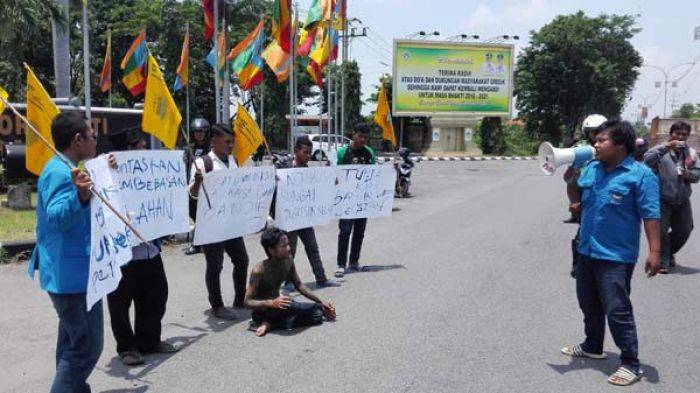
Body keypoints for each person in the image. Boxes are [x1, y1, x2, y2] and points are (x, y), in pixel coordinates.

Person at [561, 120, 661, 387]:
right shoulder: (592, 168)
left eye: (602, 140)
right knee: (588, 303)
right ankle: (593, 345)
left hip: (615, 256)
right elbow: (575, 189)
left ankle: (631, 363)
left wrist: (655, 251)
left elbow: (651, 215)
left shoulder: (640, 175)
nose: (596, 144)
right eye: (596, 140)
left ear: (620, 145)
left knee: (617, 310)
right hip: (586, 250)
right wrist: (572, 188)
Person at [28, 111, 115, 393]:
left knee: (71, 343)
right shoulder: (59, 172)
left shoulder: (70, 167)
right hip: (71, 277)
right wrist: (79, 197)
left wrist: (104, 166)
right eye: (92, 136)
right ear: (78, 139)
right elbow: (55, 218)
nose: (95, 140)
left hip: (74, 272)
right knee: (87, 346)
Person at [106, 129, 178, 367]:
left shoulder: (151, 170)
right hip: (125, 254)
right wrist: (110, 168)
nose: (144, 150)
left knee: (156, 295)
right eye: (139, 146)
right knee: (120, 302)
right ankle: (127, 347)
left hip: (150, 250)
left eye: (145, 145)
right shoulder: (108, 173)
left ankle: (149, 341)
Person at [189, 123, 250, 320]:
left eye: (232, 142)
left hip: (230, 223)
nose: (231, 145)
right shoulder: (202, 164)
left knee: (242, 259)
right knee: (215, 265)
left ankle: (240, 300)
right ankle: (217, 306)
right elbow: (192, 195)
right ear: (214, 141)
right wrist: (198, 182)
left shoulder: (234, 162)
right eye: (227, 142)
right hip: (211, 224)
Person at [244, 227, 336, 337]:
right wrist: (271, 303)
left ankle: (270, 325)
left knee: (317, 316)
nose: (289, 248)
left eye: (288, 244)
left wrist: (321, 300)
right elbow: (247, 302)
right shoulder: (259, 270)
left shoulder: (288, 259)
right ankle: (317, 306)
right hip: (264, 311)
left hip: (281, 307)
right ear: (271, 250)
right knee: (293, 305)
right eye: (283, 246)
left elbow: (299, 285)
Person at [275, 135, 340, 287]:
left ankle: (321, 278)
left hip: (304, 217)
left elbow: (320, 186)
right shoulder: (283, 167)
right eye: (305, 152)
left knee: (312, 247)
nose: (308, 155)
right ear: (296, 151)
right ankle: (288, 281)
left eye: (310, 152)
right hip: (288, 218)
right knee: (289, 251)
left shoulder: (307, 170)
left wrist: (330, 176)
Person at [643, 121, 700, 273]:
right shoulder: (660, 150)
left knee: (685, 230)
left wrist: (690, 175)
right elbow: (646, 162)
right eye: (678, 133)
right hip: (661, 198)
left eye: (684, 134)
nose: (681, 137)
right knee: (660, 230)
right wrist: (666, 148)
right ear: (671, 134)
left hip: (682, 200)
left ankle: (666, 253)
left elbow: (697, 175)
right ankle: (663, 261)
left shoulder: (691, 153)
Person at [563, 114, 607, 279]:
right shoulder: (580, 149)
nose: (596, 136)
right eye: (592, 132)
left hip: (606, 195)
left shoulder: (613, 146)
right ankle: (578, 265)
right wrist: (575, 201)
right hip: (586, 197)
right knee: (583, 232)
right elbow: (570, 180)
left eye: (599, 131)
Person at [335, 124, 377, 279]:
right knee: (345, 231)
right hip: (346, 201)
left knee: (359, 232)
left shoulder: (369, 153)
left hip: (362, 201)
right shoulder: (342, 152)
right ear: (353, 134)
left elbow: (374, 174)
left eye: (365, 137)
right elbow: (335, 174)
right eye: (360, 136)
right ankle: (341, 264)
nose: (362, 140)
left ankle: (354, 261)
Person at [184, 118, 211, 256]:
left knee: (205, 215)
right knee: (194, 214)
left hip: (207, 186)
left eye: (201, 132)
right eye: (196, 132)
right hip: (193, 186)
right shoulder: (189, 149)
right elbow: (186, 166)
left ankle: (197, 243)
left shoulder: (211, 149)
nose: (198, 134)